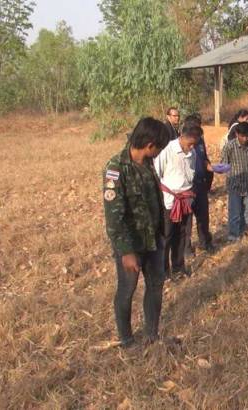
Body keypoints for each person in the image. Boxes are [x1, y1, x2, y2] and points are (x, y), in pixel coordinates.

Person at [103, 117, 169, 347]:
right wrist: (126, 252)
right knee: (127, 290)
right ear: (150, 145)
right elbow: (114, 218)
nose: (159, 152)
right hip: (131, 244)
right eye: (159, 147)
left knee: (156, 286)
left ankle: (151, 333)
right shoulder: (116, 169)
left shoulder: (148, 163)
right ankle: (127, 339)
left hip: (153, 240)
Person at [154, 125, 201, 279]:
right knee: (166, 235)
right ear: (182, 137)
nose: (192, 147)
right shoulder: (167, 150)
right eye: (190, 144)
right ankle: (163, 271)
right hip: (169, 202)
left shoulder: (193, 152)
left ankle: (178, 266)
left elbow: (190, 174)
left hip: (185, 199)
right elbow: (156, 175)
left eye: (194, 144)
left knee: (182, 234)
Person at [221, 122, 248, 241]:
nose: (245, 138)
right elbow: (224, 165)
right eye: (242, 136)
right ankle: (233, 235)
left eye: (247, 136)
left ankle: (242, 230)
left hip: (247, 183)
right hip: (235, 184)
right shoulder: (229, 147)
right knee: (235, 212)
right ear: (237, 134)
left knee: (247, 211)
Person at [183, 114, 215, 254]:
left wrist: (210, 168)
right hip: (187, 187)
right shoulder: (178, 145)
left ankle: (205, 242)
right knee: (187, 221)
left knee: (203, 216)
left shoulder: (200, 141)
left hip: (201, 185)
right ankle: (186, 248)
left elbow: (204, 158)